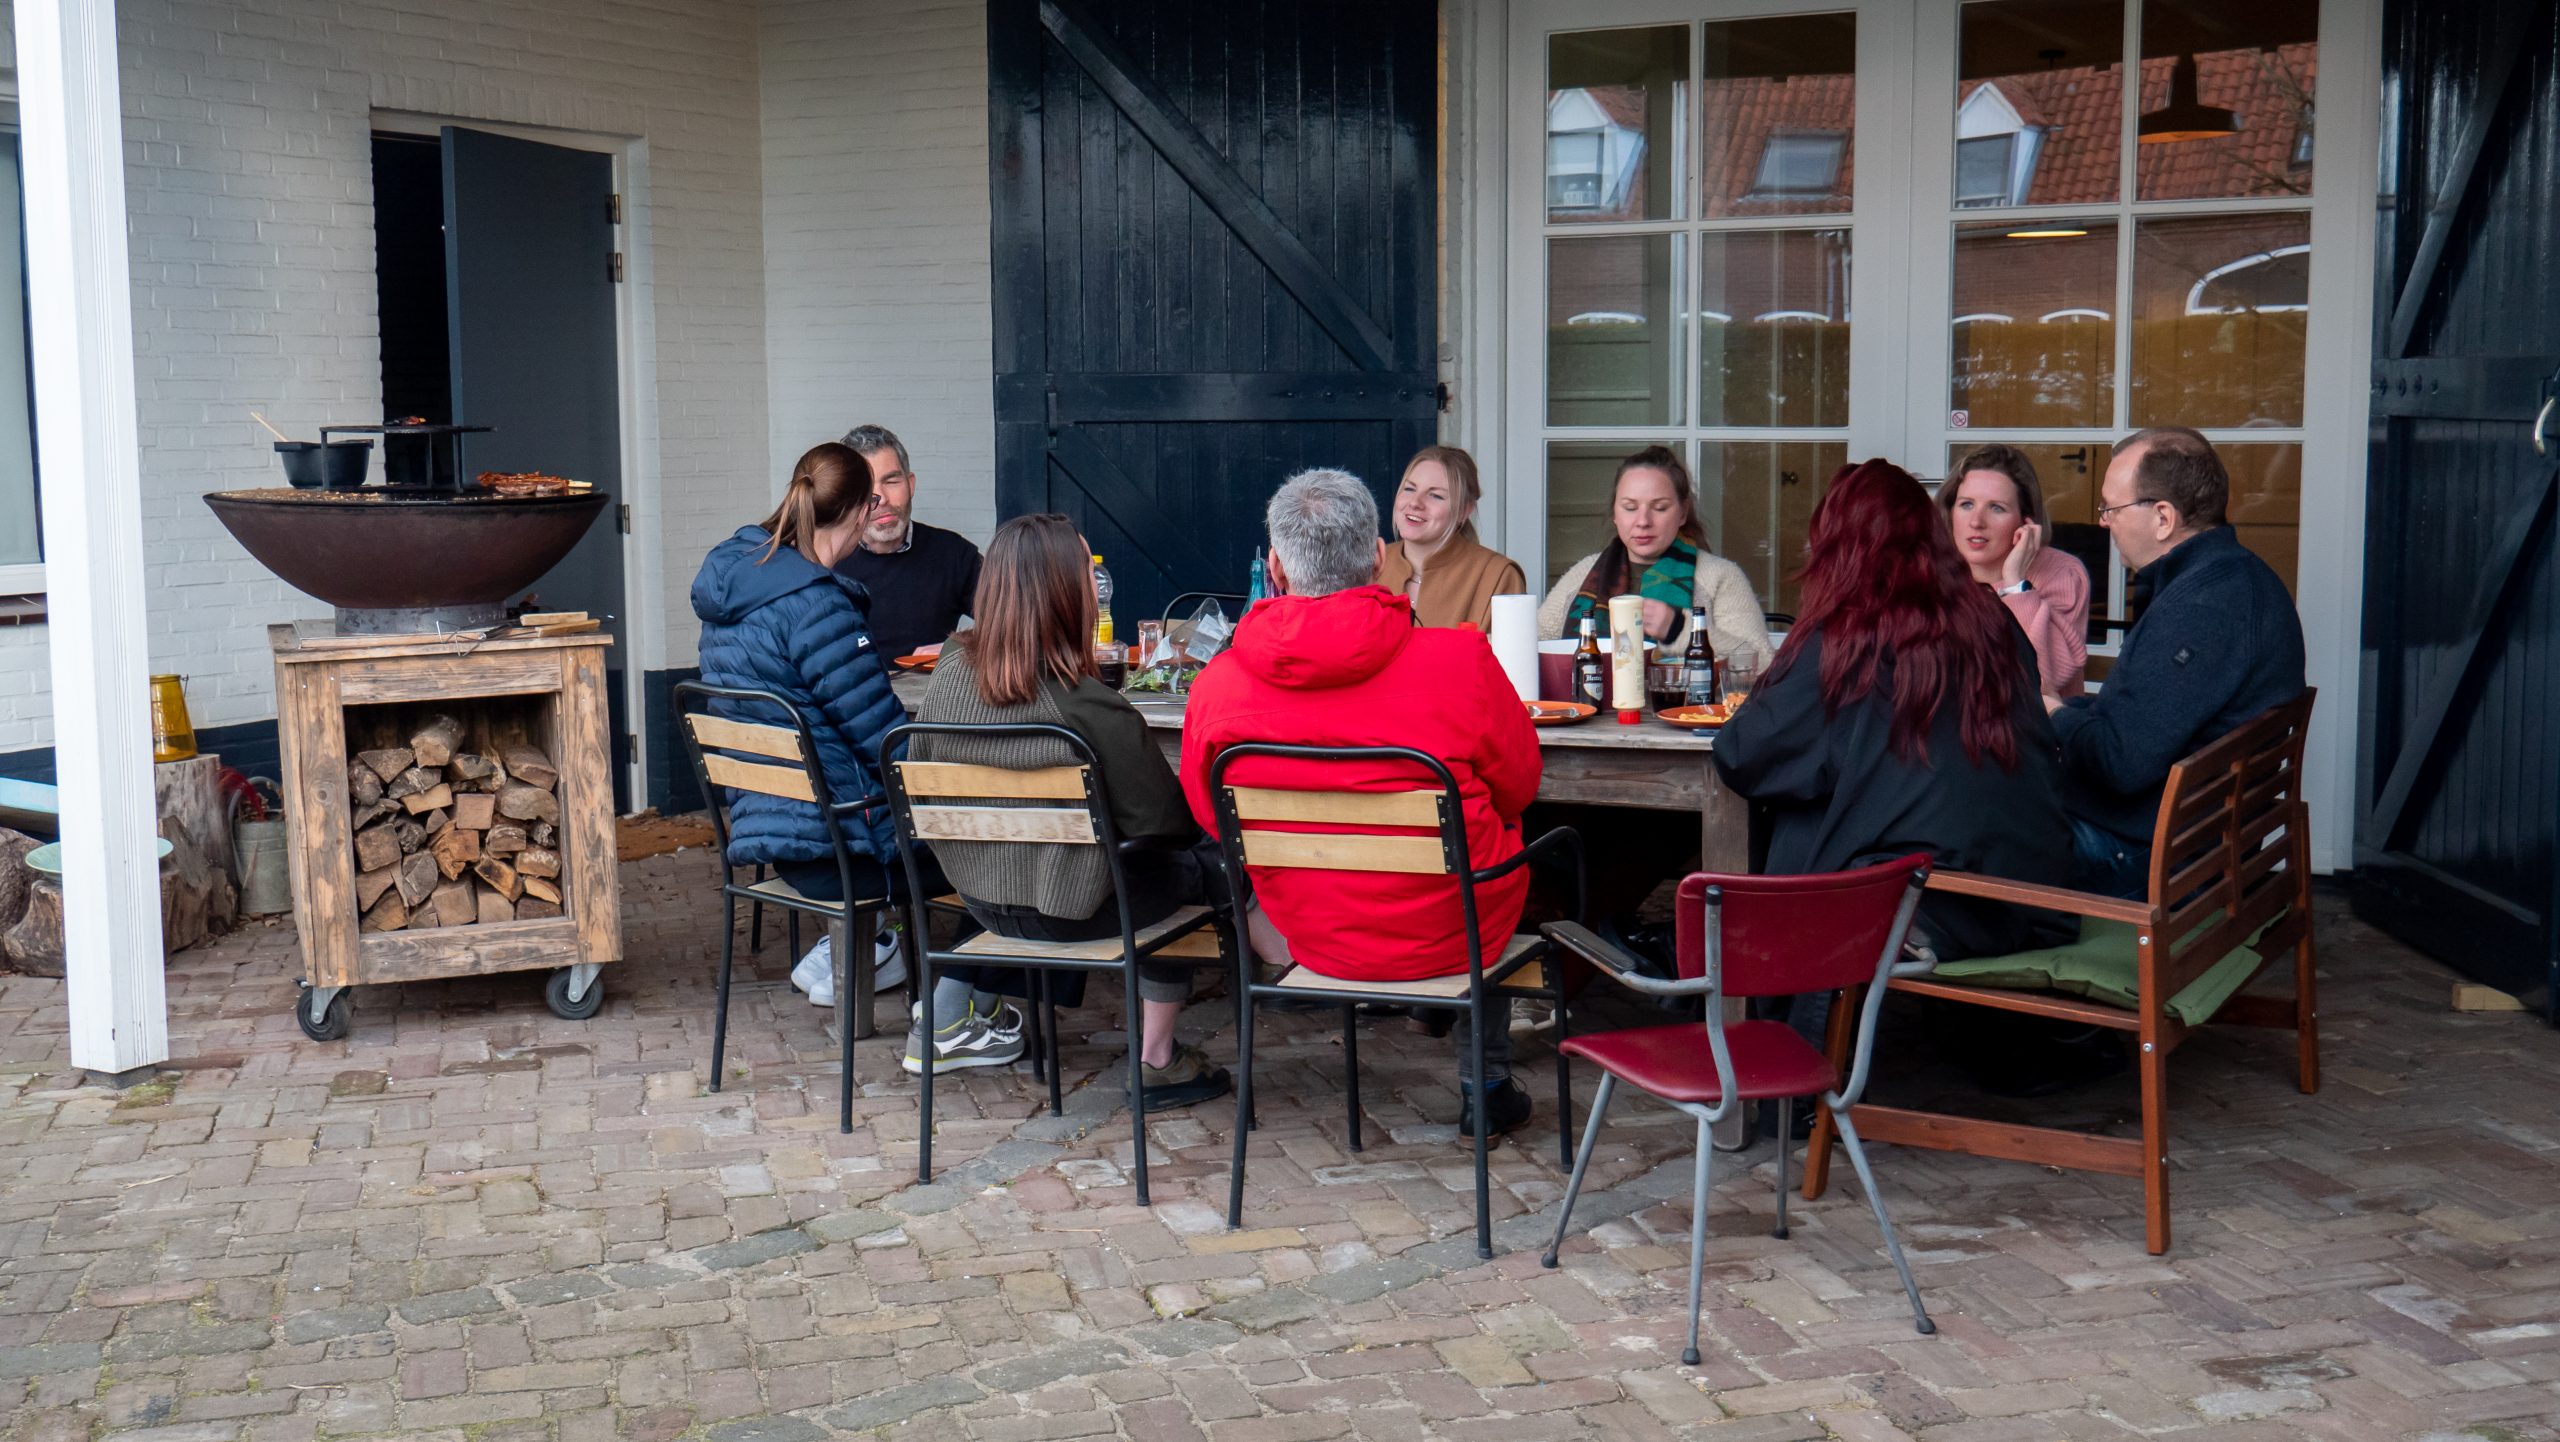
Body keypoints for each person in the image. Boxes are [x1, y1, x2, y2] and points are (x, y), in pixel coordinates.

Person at [1181, 469, 1548, 1139]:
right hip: (1453, 927)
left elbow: (1213, 822)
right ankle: (1485, 1081)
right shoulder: (1461, 659)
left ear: (1275, 566)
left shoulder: (1218, 684)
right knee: (1505, 835)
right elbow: (1520, 786)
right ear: (1380, 557)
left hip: (1312, 933)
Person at [911, 514, 1233, 1109]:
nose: (1097, 580)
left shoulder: (949, 673)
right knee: (1205, 851)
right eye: (1088, 570)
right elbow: (1163, 826)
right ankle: (1160, 1058)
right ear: (1065, 590)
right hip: (1072, 911)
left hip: (980, 901)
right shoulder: (1088, 706)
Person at [690, 443, 1000, 1043]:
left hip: (779, 831)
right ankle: (949, 1015)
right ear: (863, 512)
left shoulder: (739, 582)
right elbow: (885, 746)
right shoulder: (816, 605)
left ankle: (903, 966)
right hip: (841, 849)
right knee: (1007, 845)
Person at [1714, 459, 2076, 962]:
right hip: (2028, 897)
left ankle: (1748, 984)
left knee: (1804, 812)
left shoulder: (1852, 634)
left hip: (1930, 902)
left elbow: (1744, 755)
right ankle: (1734, 969)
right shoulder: (1992, 616)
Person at [2049, 427, 2306, 897]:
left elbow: (2119, 763)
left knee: (1960, 820)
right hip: (2198, 838)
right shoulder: (2236, 577)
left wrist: (2052, 714)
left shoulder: (2203, 608)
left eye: (2110, 508)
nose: (2103, 522)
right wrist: (2063, 710)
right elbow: (2147, 719)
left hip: (2159, 860)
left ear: (2163, 517)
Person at [1536, 446, 1772, 668]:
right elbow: (1531, 642)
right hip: (1589, 710)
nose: (1643, 521)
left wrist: (1679, 629)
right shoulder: (1584, 572)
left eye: (1659, 508)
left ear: (1682, 512)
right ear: (1615, 514)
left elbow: (1762, 663)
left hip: (1689, 712)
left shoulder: (1720, 577)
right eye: (1630, 507)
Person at [1941, 443, 2090, 699]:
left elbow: (2043, 679)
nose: (1977, 521)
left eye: (1996, 507)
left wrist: (2015, 584)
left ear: (2026, 521)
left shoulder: (2062, 573)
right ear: (1950, 510)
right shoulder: (1933, 570)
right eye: (1966, 504)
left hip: (2030, 733)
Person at [829, 424, 984, 659]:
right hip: (853, 694)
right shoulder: (827, 562)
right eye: (865, 488)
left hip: (932, 694)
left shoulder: (955, 555)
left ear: (910, 484)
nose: (881, 499)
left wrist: (963, 644)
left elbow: (1017, 623)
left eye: (891, 482)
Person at [1375, 446, 1528, 630]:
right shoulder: (1367, 565)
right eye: (1409, 489)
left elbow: (1509, 657)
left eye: (1436, 496)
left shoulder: (1498, 575)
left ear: (1464, 510)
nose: (1415, 502)